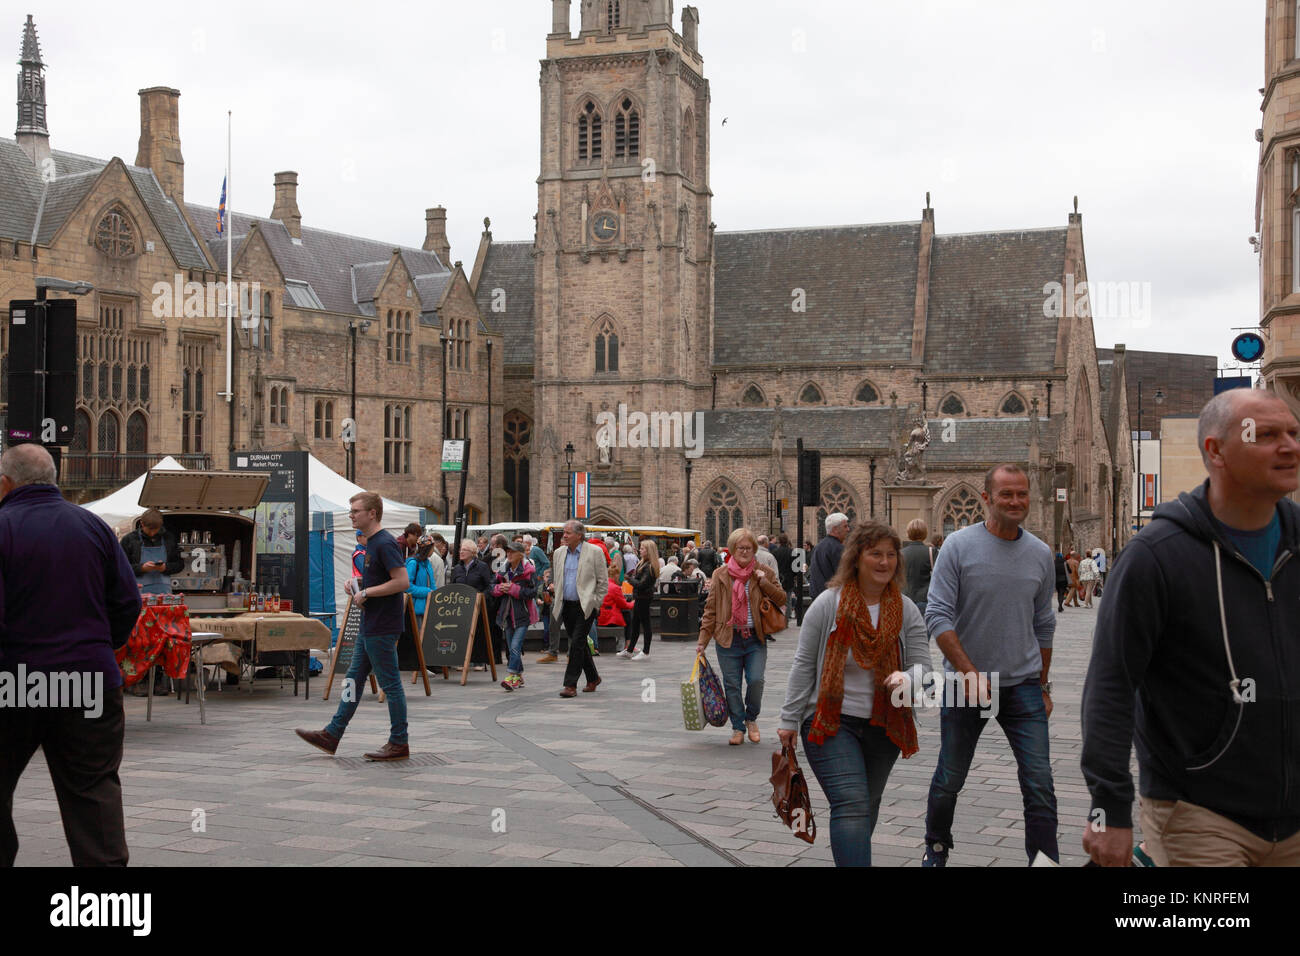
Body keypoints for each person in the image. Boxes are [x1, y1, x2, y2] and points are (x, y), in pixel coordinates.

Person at [1082, 388, 1300, 867]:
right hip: (1200, 811)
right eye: (1265, 435)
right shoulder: (1157, 556)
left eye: (1293, 433)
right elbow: (1111, 686)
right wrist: (1107, 808)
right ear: (1215, 451)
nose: (1288, 446)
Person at [0, 444, 141, 867]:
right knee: (92, 790)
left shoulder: (3, 526)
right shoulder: (94, 527)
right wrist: (98, 647)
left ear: (5, 483)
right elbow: (128, 601)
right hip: (88, 679)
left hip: (16, 680)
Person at [923, 463, 1057, 866]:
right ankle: (936, 846)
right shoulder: (958, 546)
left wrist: (1044, 685)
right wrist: (969, 673)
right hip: (966, 686)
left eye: (1022, 494)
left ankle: (1044, 861)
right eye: (1006, 494)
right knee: (950, 778)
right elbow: (937, 615)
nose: (1016, 501)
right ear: (986, 498)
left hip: (1022, 686)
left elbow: (1044, 624)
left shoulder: (1040, 553)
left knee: (1040, 784)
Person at [778, 521, 934, 866]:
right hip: (829, 722)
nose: (884, 562)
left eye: (891, 555)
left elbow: (926, 671)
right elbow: (803, 665)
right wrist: (789, 719)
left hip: (885, 725)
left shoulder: (906, 610)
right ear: (856, 558)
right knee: (851, 802)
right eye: (875, 553)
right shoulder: (827, 604)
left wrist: (907, 678)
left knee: (866, 804)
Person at [297, 491, 411, 761]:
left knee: (391, 684)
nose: (351, 515)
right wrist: (357, 586)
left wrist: (368, 593)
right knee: (352, 680)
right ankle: (332, 733)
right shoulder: (372, 543)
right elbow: (383, 582)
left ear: (372, 513)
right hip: (371, 623)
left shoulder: (384, 543)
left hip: (381, 626)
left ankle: (399, 742)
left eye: (355, 511)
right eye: (350, 511)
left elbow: (402, 582)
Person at [697, 527, 787, 745]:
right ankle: (738, 728)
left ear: (754, 550)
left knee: (756, 680)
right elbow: (710, 610)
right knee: (732, 685)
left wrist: (764, 581)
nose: (745, 552)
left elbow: (782, 598)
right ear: (732, 550)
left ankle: (751, 719)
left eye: (748, 548)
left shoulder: (763, 571)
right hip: (728, 638)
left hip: (755, 638)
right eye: (740, 548)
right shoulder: (721, 574)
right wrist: (702, 641)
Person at [552, 520, 606, 697]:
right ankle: (593, 678)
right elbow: (558, 579)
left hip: (585, 606)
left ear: (579, 535)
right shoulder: (559, 553)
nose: (564, 536)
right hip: (566, 604)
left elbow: (602, 582)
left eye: (568, 533)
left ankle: (570, 685)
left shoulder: (595, 552)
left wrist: (595, 602)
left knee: (575, 643)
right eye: (564, 532)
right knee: (579, 644)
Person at [494, 541, 538, 692]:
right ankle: (519, 677)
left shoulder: (528, 571)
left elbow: (533, 592)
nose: (509, 554)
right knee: (512, 647)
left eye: (512, 552)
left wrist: (513, 589)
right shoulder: (502, 569)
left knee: (514, 647)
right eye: (508, 551)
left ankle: (511, 676)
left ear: (521, 554)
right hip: (506, 614)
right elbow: (491, 587)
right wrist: (500, 588)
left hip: (522, 614)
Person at [450, 540, 494, 669]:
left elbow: (488, 586)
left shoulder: (482, 567)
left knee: (478, 632)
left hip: (477, 606)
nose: (461, 552)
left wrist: (481, 598)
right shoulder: (457, 568)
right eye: (460, 550)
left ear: (472, 553)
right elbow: (452, 587)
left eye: (464, 550)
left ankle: (478, 661)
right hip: (460, 608)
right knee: (461, 632)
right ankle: (462, 660)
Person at [120, 507, 183, 595]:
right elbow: (120, 568)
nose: (152, 533)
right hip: (137, 593)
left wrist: (165, 567)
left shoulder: (169, 538)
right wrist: (141, 568)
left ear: (161, 525)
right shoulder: (129, 540)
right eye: (149, 529)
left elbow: (179, 564)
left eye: (156, 529)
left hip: (164, 595)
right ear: (142, 523)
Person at [620, 540, 660, 660]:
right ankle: (630, 649)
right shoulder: (643, 563)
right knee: (636, 623)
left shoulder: (649, 566)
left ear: (649, 551)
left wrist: (629, 579)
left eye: (643, 548)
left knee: (645, 624)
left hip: (644, 597)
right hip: (639, 597)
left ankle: (646, 651)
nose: (640, 550)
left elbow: (641, 584)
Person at [809, 512, 849, 601]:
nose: (848, 529)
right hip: (831, 598)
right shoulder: (838, 548)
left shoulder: (819, 546)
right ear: (835, 529)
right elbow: (843, 576)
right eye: (845, 526)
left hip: (818, 597)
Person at [900, 518, 932, 615]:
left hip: (905, 599)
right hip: (925, 599)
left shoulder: (901, 554)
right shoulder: (931, 552)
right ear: (925, 533)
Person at [406, 535, 440, 621]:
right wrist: (428, 591)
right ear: (429, 548)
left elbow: (432, 583)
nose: (434, 550)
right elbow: (407, 587)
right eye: (433, 547)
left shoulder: (427, 563)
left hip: (427, 609)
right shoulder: (413, 563)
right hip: (414, 610)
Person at [598, 564, 635, 635]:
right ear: (616, 575)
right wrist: (633, 603)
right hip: (612, 618)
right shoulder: (615, 588)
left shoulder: (602, 585)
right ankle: (628, 643)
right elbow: (624, 605)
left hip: (601, 617)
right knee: (628, 616)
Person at [772, 533, 796, 619]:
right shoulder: (792, 552)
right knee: (788, 600)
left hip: (778, 578)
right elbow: (795, 568)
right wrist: (792, 575)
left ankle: (778, 618)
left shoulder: (775, 552)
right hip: (789, 578)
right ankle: (787, 618)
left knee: (777, 600)